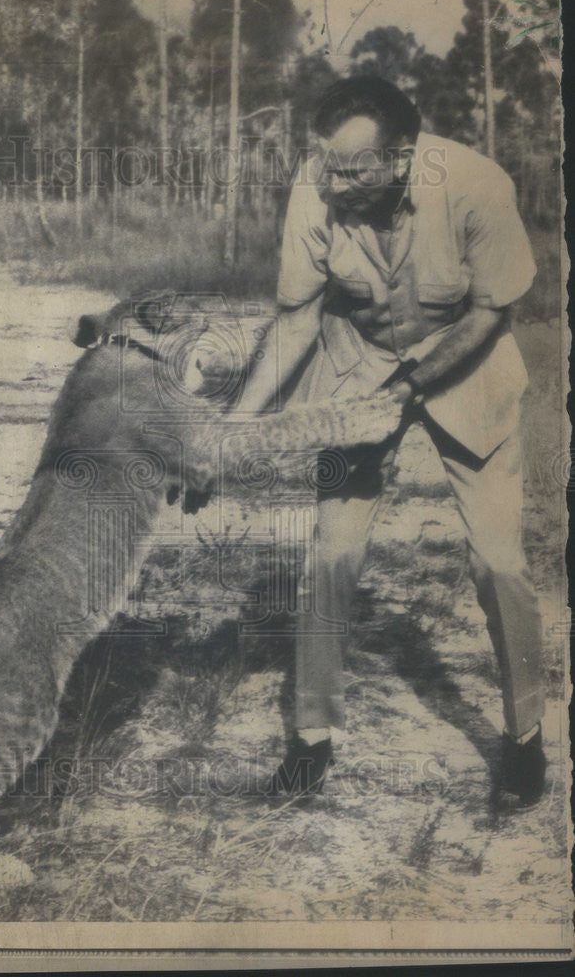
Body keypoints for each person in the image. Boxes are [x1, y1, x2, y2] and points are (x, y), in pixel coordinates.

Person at [232, 76, 546, 809]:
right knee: (332, 554)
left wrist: (406, 390)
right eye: (327, 167)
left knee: (498, 562)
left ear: (401, 158)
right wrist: (233, 427)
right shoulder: (317, 187)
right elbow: (295, 323)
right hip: (357, 361)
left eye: (354, 171)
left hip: (466, 362)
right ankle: (310, 742)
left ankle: (524, 737)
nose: (335, 184)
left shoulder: (476, 185)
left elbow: (489, 311)